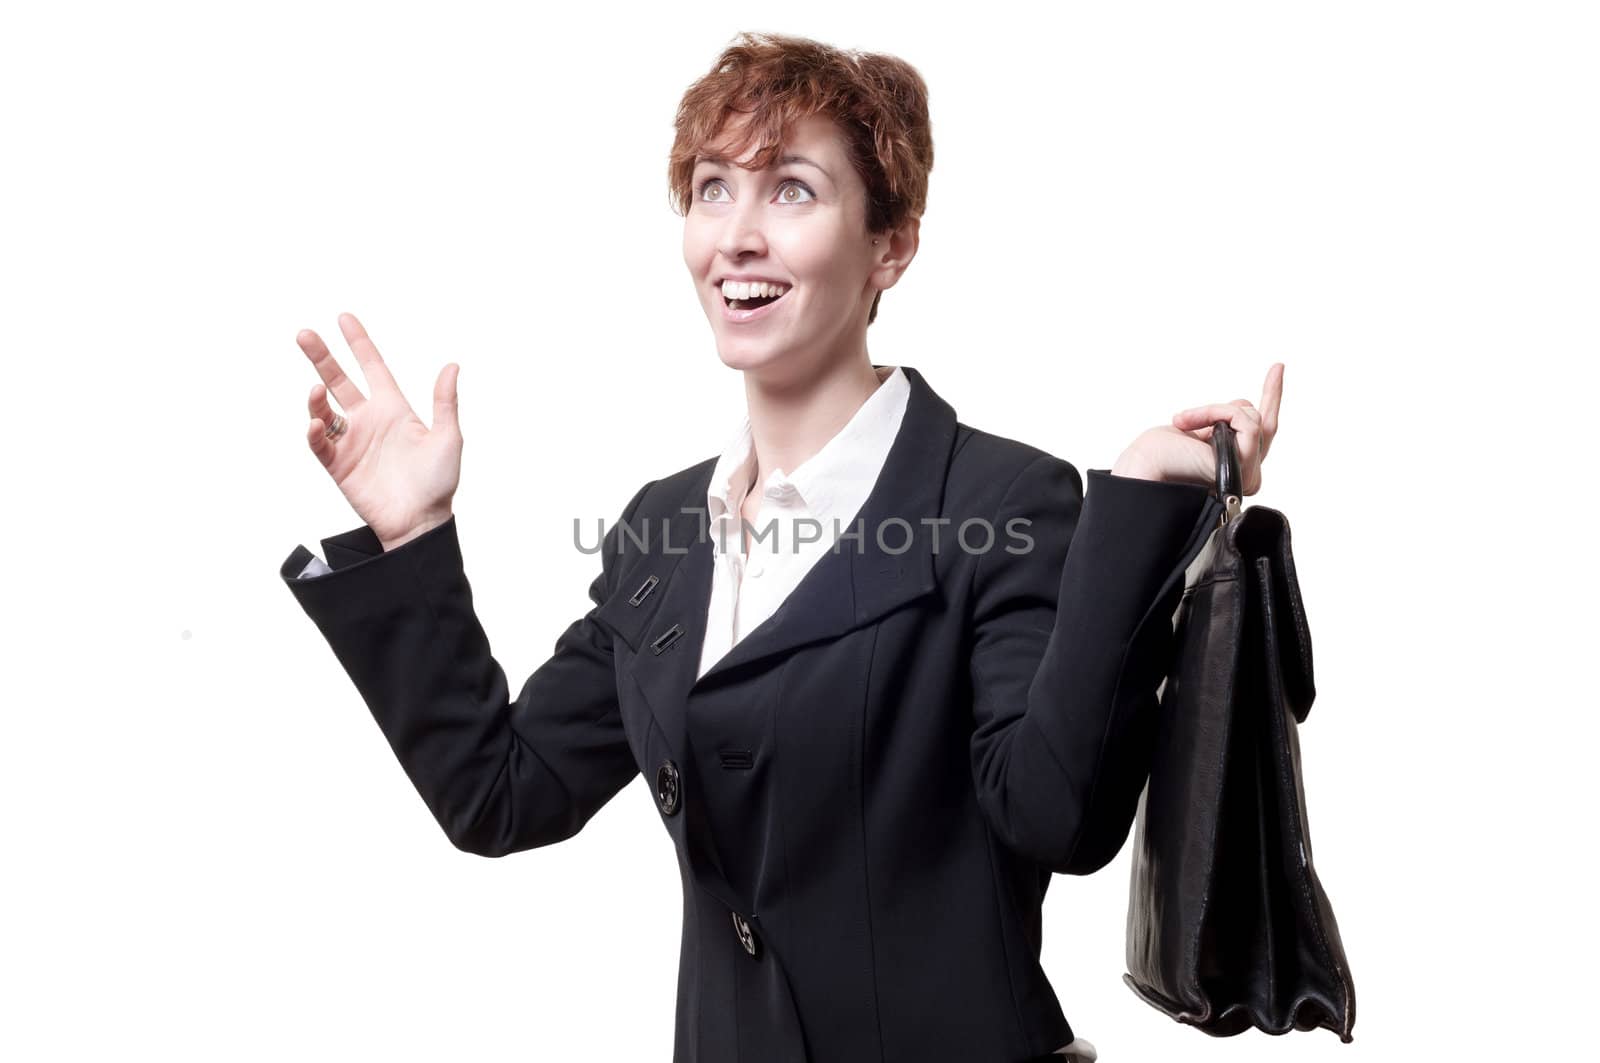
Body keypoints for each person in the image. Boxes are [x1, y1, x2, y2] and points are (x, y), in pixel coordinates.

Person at [279, 31, 1283, 1063]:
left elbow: (1057, 815)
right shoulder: (662, 530)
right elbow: (502, 793)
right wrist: (413, 535)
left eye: (792, 191)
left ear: (889, 243)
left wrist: (1134, 504)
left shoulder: (1001, 500)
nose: (738, 236)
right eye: (713, 189)